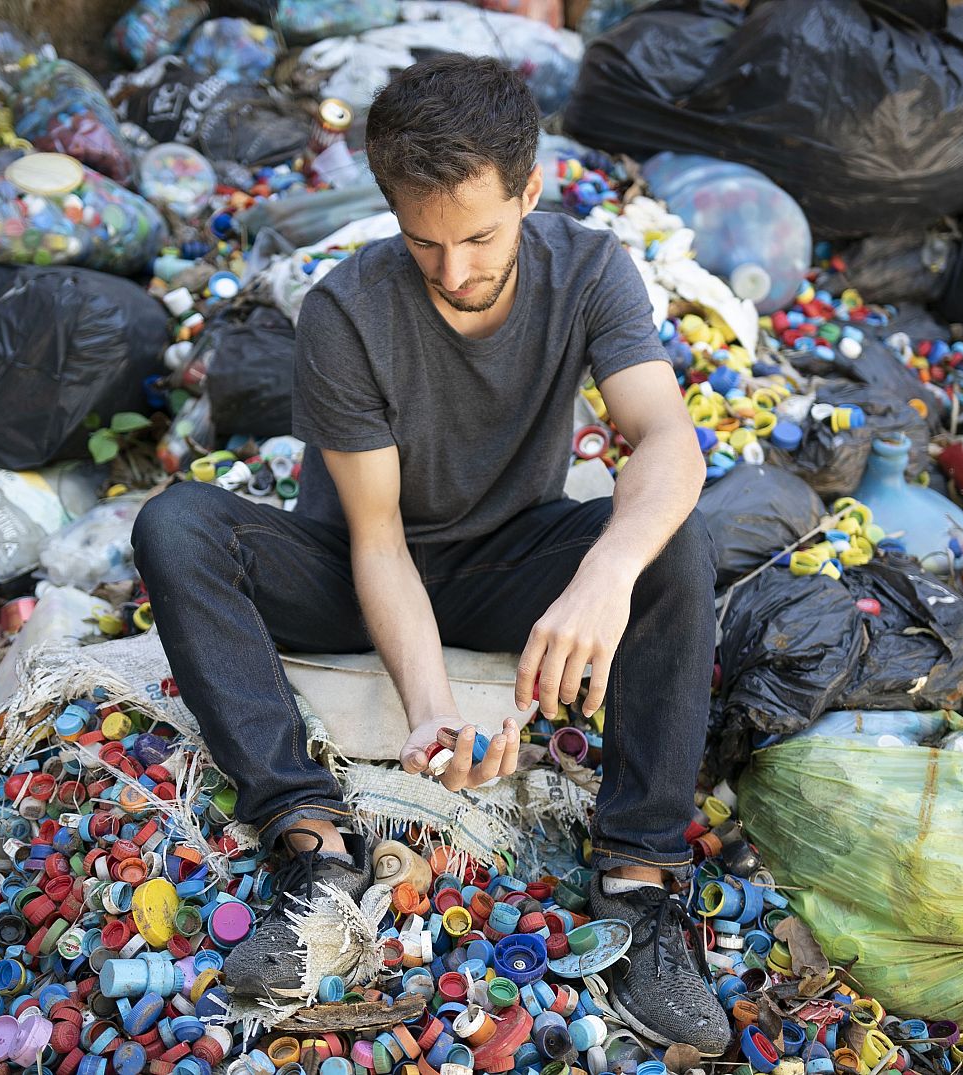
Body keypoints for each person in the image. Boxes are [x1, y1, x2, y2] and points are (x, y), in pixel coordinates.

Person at [131, 55, 730, 1053]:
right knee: (177, 526)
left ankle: (638, 885)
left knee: (670, 538)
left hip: (509, 561)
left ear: (530, 190)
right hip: (354, 573)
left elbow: (666, 440)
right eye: (425, 242)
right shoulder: (346, 311)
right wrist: (434, 710)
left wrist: (605, 576)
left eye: (481, 237)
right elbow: (377, 540)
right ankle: (315, 854)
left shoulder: (590, 270)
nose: (454, 271)